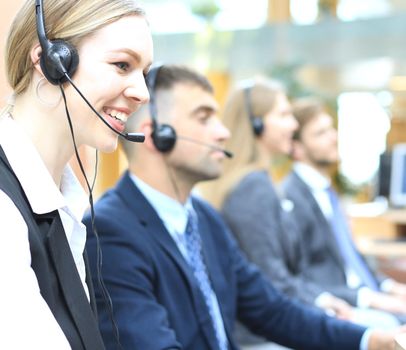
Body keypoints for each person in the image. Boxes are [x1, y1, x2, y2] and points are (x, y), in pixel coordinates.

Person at [84, 65, 403, 350]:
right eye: (204, 117)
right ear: (158, 136)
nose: (223, 132)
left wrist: (370, 340)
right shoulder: (110, 232)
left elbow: (271, 310)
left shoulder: (203, 219)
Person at [0, 0, 152, 349]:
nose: (142, 93)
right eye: (122, 65)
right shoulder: (4, 208)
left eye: (143, 73)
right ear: (51, 62)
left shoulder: (61, 202)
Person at [205, 79, 402, 332]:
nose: (293, 124)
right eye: (284, 115)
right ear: (257, 124)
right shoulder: (253, 187)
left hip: (294, 308)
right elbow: (274, 278)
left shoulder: (264, 183)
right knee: (386, 329)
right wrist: (323, 302)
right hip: (267, 327)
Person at [282, 98, 406, 321]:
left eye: (331, 129)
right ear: (297, 148)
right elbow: (302, 278)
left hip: (364, 295)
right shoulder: (290, 199)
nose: (333, 137)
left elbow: (351, 259)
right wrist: (367, 298)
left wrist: (387, 286)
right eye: (320, 133)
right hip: (338, 305)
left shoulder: (327, 193)